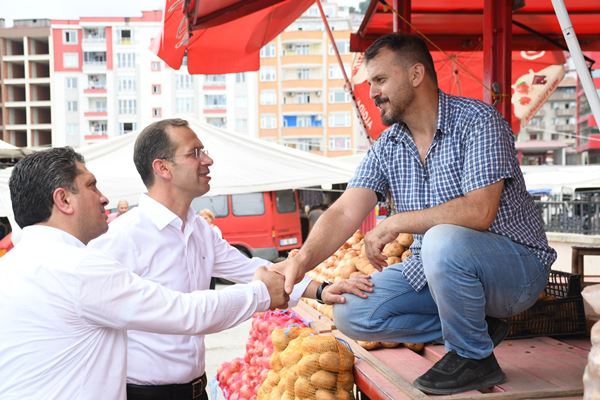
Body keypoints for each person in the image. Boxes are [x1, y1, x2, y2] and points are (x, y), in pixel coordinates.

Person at [271, 33, 557, 395]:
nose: (372, 91)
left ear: (416, 74)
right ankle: (477, 330)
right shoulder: (389, 146)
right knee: (353, 313)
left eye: (380, 80)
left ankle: (473, 358)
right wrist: (302, 258)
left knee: (443, 236)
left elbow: (478, 211)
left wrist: (394, 222)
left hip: (515, 272)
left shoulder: (479, 122)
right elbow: (345, 210)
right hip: (438, 270)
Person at [88, 118, 372, 400]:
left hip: (197, 388)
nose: (208, 160)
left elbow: (252, 269)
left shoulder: (199, 230)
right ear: (162, 168)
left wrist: (321, 291)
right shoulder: (121, 237)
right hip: (143, 393)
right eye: (195, 153)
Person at [0, 147, 289, 400]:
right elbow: (183, 312)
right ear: (63, 200)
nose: (104, 199)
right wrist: (260, 293)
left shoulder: (11, 266)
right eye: (91, 186)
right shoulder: (78, 267)